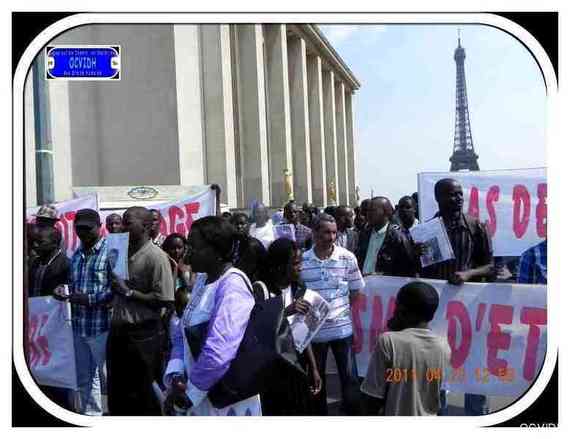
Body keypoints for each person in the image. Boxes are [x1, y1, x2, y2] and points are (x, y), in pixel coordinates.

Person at [163, 216, 261, 416]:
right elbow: (182, 332)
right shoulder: (202, 280)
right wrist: (176, 375)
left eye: (194, 247)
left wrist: (189, 395)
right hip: (196, 394)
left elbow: (219, 349)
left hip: (225, 400)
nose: (187, 254)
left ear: (215, 251)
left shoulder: (232, 285)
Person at [420, 178, 495, 416]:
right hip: (438, 310)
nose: (458, 198)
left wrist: (468, 274)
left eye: (460, 194)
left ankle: (477, 417)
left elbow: (491, 267)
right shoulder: (425, 230)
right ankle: (438, 414)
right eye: (452, 194)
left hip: (469, 307)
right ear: (438, 198)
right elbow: (419, 270)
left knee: (474, 362)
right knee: (437, 364)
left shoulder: (476, 227)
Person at [107, 206, 175, 415]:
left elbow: (164, 300)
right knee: (118, 395)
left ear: (145, 226)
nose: (123, 227)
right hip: (119, 333)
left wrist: (129, 293)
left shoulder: (156, 257)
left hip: (143, 336)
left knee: (143, 397)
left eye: (128, 223)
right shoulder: (120, 252)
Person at [299, 213, 365, 415]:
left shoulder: (347, 257)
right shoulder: (302, 260)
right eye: (326, 232)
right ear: (315, 232)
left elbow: (356, 291)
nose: (331, 237)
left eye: (334, 232)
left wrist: (340, 313)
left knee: (349, 379)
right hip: (313, 335)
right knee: (317, 381)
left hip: (342, 331)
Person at [252, 238, 322, 415]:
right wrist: (285, 311)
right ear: (280, 265)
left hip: (296, 366)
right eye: (296, 263)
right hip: (271, 370)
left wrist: (313, 369)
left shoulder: (298, 288)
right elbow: (256, 327)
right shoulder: (261, 289)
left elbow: (304, 334)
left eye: (301, 262)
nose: (300, 267)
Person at [361, 281, 450, 416]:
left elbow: (373, 398)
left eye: (396, 305)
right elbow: (436, 396)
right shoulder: (443, 347)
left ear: (402, 310)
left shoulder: (388, 341)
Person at [56, 209, 112, 416]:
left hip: (102, 327)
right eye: (79, 229)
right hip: (79, 327)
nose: (83, 233)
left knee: (109, 378)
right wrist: (65, 290)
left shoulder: (110, 252)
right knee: (85, 378)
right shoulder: (76, 255)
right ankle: (92, 417)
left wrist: (88, 299)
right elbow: (72, 285)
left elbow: (116, 290)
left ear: (99, 227)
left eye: (88, 229)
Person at [28, 227, 73, 411]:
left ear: (55, 243)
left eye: (41, 242)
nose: (36, 245)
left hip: (56, 325)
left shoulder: (65, 264)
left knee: (57, 367)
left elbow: (70, 288)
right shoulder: (35, 262)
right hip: (36, 323)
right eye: (35, 242)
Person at [231, 212, 268, 283]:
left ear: (248, 225)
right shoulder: (233, 244)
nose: (239, 226)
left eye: (242, 224)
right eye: (236, 224)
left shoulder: (252, 244)